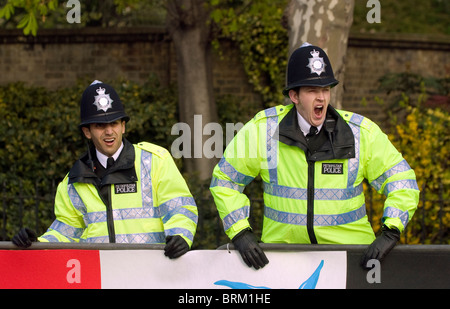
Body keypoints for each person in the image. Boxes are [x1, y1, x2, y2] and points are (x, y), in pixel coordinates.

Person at [210, 43, 419, 269]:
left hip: (351, 260)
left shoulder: (362, 134)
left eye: (326, 89)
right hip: (284, 261)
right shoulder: (263, 131)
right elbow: (225, 181)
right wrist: (240, 232)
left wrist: (391, 230)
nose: (321, 98)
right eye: (311, 90)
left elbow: (402, 181)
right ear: (294, 96)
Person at [12, 81, 198, 259]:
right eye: (100, 125)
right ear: (87, 132)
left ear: (123, 126)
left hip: (149, 273)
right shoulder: (74, 181)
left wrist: (181, 235)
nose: (109, 131)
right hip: (100, 277)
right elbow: (66, 232)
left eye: (114, 123)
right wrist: (36, 243)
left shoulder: (155, 161)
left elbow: (179, 206)